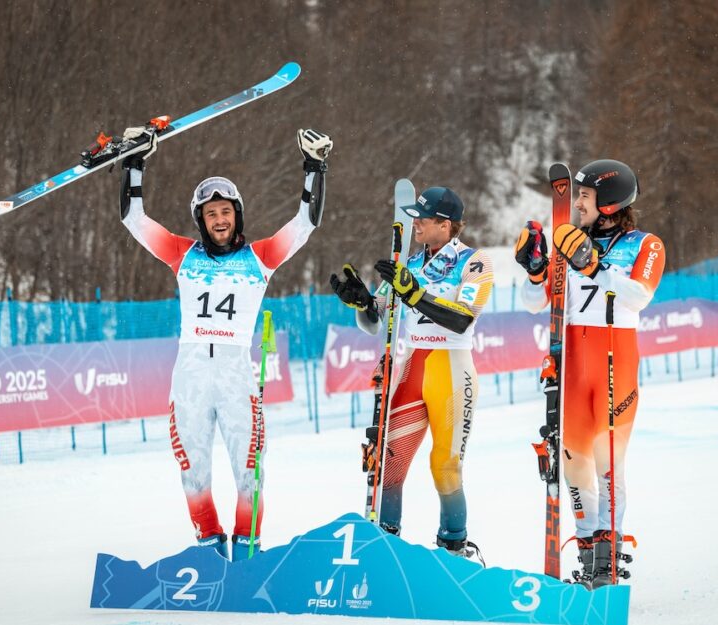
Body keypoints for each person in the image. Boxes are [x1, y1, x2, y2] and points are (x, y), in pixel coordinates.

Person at [119, 127, 332, 560]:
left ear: (237, 214)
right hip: (191, 379)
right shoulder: (183, 254)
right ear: (201, 219)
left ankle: (249, 553)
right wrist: (133, 164)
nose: (220, 220)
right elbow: (133, 220)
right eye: (211, 213)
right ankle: (209, 551)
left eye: (226, 211)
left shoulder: (260, 258)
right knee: (193, 474)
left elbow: (306, 223)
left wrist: (314, 166)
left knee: (250, 473)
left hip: (237, 377)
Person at [514, 159, 665, 587]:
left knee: (608, 463)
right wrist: (536, 269)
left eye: (584, 196)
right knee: (572, 461)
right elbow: (534, 302)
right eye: (575, 194)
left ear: (610, 203)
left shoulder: (645, 243)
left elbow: (639, 296)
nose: (577, 203)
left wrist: (594, 265)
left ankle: (609, 556)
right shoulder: (568, 242)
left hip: (615, 356)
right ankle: (585, 554)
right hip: (573, 361)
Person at [329, 187, 494, 559]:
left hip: (451, 368)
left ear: (445, 224)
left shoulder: (475, 261)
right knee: (390, 461)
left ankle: (454, 547)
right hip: (412, 367)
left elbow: (463, 319)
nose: (415, 222)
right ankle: (387, 544)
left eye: (422, 217)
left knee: (445, 465)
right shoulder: (410, 264)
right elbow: (376, 321)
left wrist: (416, 295)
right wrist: (362, 302)